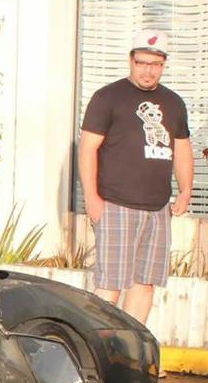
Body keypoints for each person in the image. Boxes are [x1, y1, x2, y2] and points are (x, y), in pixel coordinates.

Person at [78, 29, 192, 326]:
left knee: (145, 283)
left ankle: (132, 353)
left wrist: (185, 191)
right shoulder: (108, 97)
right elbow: (88, 148)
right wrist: (91, 198)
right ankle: (100, 352)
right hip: (116, 205)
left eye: (155, 64)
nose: (148, 70)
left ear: (163, 64)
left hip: (157, 208)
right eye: (142, 62)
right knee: (110, 285)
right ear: (131, 60)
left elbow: (181, 149)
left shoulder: (174, 102)